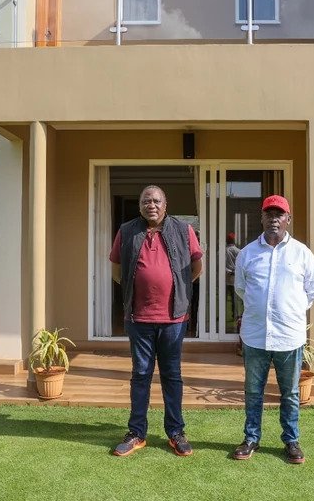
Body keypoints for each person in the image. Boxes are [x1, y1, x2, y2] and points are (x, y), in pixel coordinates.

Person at [109, 185, 203, 457]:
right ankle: (137, 432)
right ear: (140, 206)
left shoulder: (183, 231)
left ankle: (176, 432)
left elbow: (196, 266)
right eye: (146, 200)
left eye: (156, 200)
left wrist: (181, 287)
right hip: (139, 318)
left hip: (173, 318)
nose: (151, 204)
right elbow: (116, 269)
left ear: (165, 204)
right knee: (141, 375)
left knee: (172, 375)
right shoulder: (127, 231)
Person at [232, 194, 314, 464]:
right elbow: (241, 288)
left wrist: (290, 310)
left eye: (279, 214)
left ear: (288, 219)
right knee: (253, 391)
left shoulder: (302, 253)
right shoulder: (247, 253)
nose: (274, 219)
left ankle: (291, 440)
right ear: (261, 218)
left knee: (291, 393)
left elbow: (313, 290)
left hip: (288, 335)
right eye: (269, 214)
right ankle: (251, 439)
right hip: (255, 335)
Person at [225, 232, 241, 320]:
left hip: (225, 277)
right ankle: (234, 314)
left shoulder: (223, 251)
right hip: (234, 277)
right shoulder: (238, 251)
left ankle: (224, 314)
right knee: (234, 298)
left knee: (224, 298)